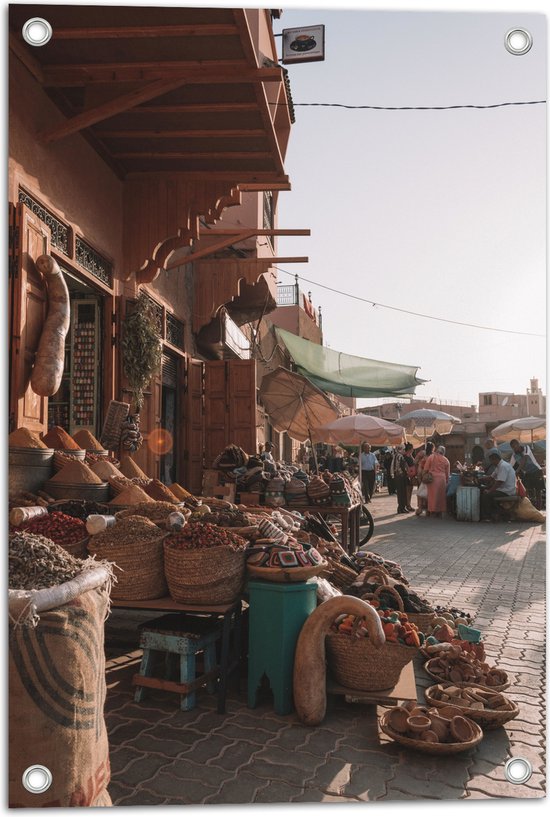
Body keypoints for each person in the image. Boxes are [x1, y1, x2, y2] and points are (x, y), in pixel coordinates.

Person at [481, 451, 518, 520]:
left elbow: (499, 482)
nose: (491, 463)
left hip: (507, 491)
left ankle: (488, 515)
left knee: (486, 495)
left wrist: (489, 491)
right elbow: (491, 477)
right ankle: (495, 511)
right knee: (484, 490)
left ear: (495, 459)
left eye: (491, 461)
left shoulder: (503, 466)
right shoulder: (499, 466)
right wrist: (481, 478)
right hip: (503, 489)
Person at [509, 438, 545, 508]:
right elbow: (510, 466)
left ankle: (539, 508)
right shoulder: (514, 455)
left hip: (537, 470)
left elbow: (524, 459)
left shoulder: (526, 448)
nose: (515, 448)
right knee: (528, 490)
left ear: (518, 444)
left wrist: (517, 470)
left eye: (515, 446)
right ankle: (531, 507)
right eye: (513, 447)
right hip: (528, 473)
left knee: (538, 491)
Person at [422, 444, 450, 517]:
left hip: (432, 479)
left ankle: (432, 510)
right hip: (442, 480)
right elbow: (447, 473)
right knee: (441, 496)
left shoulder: (431, 457)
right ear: (443, 452)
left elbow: (425, 469)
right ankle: (440, 511)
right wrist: (447, 481)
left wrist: (423, 475)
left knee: (432, 496)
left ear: (437, 450)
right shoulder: (446, 460)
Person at [415, 441, 434, 516]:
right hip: (431, 477)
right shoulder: (433, 457)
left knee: (420, 494)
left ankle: (420, 509)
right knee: (429, 494)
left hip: (423, 477)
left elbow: (419, 468)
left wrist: (419, 477)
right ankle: (428, 510)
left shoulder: (423, 457)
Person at [390, 445, 410, 513]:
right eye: (403, 449)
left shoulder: (397, 456)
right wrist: (405, 473)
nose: (404, 451)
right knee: (402, 492)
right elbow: (400, 467)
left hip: (398, 476)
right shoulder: (399, 456)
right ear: (400, 449)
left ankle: (401, 507)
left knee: (401, 492)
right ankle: (401, 507)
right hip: (400, 476)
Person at [403, 443, 416, 512]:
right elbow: (406, 466)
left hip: (411, 475)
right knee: (408, 491)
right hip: (408, 475)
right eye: (412, 449)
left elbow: (414, 462)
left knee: (410, 490)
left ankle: (408, 505)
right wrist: (408, 474)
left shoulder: (410, 456)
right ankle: (408, 505)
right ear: (410, 449)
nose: (413, 450)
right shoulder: (405, 456)